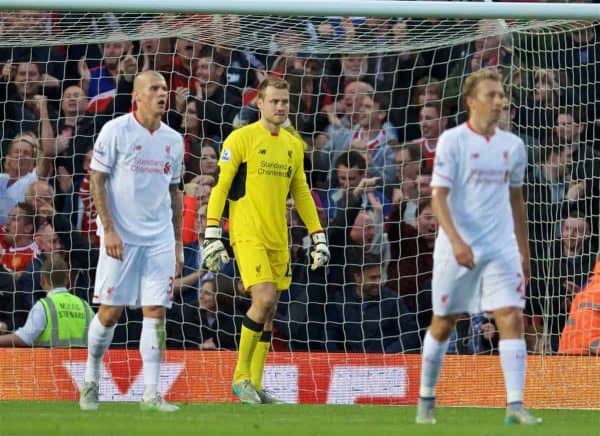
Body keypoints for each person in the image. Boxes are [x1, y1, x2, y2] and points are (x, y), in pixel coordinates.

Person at [415, 70, 542, 425]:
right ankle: (426, 396)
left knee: (511, 317)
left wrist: (524, 249)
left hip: (500, 245)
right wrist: (455, 241)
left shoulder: (513, 146)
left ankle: (515, 405)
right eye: (491, 95)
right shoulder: (452, 141)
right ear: (471, 101)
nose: (499, 101)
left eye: (501, 95)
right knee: (444, 322)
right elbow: (437, 196)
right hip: (458, 246)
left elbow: (517, 199)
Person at [203, 78, 329, 404]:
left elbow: (301, 192)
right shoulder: (241, 139)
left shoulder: (293, 145)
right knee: (264, 296)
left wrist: (318, 236)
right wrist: (213, 230)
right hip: (247, 233)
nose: (280, 107)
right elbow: (220, 186)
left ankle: (256, 385)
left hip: (279, 237)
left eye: (284, 102)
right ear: (259, 103)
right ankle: (240, 377)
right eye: (273, 101)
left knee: (270, 310)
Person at [79, 71, 184, 413]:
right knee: (110, 312)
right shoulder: (115, 131)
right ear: (137, 96)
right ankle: (91, 376)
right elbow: (97, 180)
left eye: (165, 89)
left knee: (156, 311)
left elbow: (175, 192)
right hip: (121, 236)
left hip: (159, 238)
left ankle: (151, 393)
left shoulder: (174, 140)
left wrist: (179, 242)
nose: (162, 94)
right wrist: (108, 228)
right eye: (154, 89)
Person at [0, 255, 94, 347]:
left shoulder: (43, 306)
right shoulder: (85, 306)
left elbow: (24, 339)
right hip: (84, 361)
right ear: (68, 279)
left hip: (52, 361)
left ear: (42, 279)